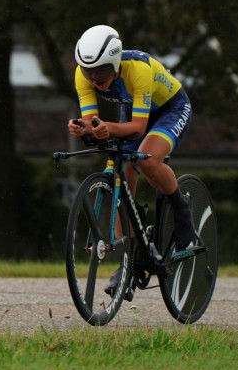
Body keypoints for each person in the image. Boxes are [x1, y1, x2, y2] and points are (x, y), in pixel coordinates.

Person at [68, 24, 195, 295]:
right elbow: (92, 120)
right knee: (121, 172)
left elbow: (138, 127)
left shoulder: (138, 69)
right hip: (135, 111)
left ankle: (180, 206)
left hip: (170, 109)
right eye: (89, 71)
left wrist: (106, 128)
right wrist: (82, 127)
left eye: (101, 71)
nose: (95, 79)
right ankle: (130, 255)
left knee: (146, 161)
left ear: (115, 63)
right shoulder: (84, 75)